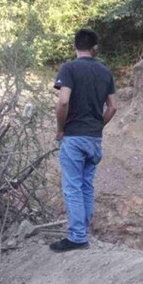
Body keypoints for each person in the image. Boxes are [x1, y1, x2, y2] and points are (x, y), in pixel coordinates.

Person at [50, 28, 117, 252]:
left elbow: (63, 102)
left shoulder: (68, 68)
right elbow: (113, 107)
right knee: (86, 186)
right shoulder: (105, 72)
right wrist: (98, 126)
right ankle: (83, 232)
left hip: (74, 137)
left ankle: (78, 237)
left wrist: (61, 129)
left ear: (75, 46)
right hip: (94, 139)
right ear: (94, 48)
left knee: (72, 187)